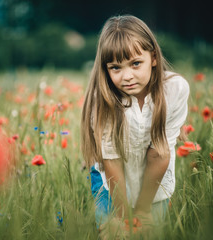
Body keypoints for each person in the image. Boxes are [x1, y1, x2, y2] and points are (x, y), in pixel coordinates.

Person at [80, 15, 189, 237]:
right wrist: (123, 218)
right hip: (111, 182)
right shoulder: (102, 99)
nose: (127, 76)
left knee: (150, 233)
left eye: (136, 63)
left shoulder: (174, 90)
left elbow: (159, 153)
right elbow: (111, 160)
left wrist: (141, 212)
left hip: (154, 182)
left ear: (154, 58)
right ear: (105, 69)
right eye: (115, 68)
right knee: (115, 233)